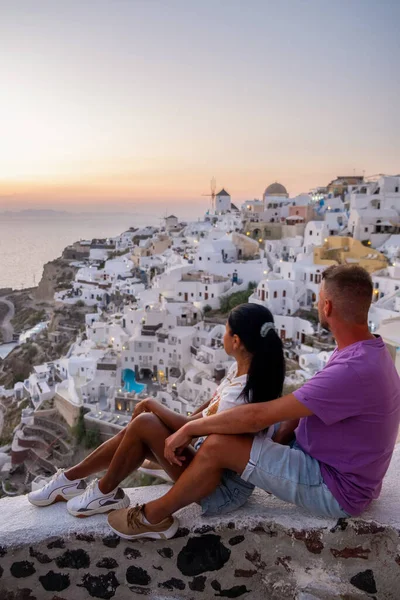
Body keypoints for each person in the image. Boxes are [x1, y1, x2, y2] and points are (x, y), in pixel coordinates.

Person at [107, 264, 400, 540]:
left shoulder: (352, 368)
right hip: (333, 466)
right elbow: (302, 410)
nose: (316, 305)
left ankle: (150, 518)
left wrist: (190, 430)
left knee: (220, 444)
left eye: (318, 299)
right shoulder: (366, 351)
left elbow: (259, 416)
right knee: (242, 433)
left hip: (334, 487)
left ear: (327, 307)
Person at [28, 304, 285, 535]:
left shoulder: (240, 395)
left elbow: (193, 430)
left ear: (237, 341)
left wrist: (153, 405)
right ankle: (72, 480)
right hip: (209, 466)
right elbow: (200, 418)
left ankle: (101, 492)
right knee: (139, 431)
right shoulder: (242, 372)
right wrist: (172, 426)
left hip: (220, 488)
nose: (223, 337)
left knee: (144, 423)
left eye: (226, 332)